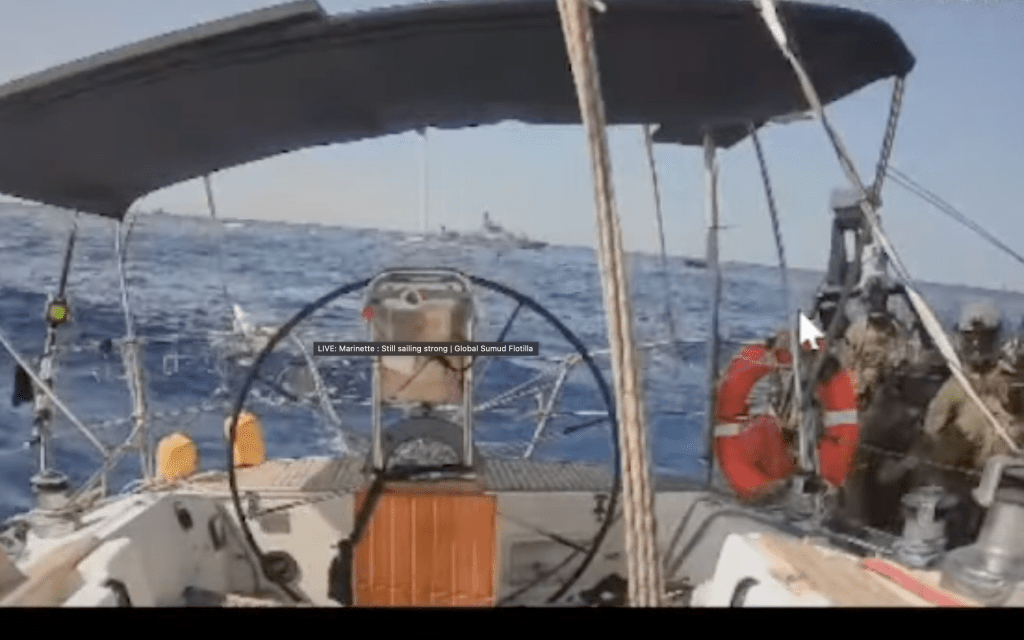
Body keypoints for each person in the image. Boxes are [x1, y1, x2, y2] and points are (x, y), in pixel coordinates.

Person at [881, 300, 1024, 543]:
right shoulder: (955, 387)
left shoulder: (1009, 381)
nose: (977, 345)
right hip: (958, 490)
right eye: (971, 338)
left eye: (984, 338)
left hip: (1002, 492)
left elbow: (1013, 399)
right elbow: (930, 438)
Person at [842, 278, 911, 410]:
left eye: (879, 297)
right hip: (859, 393)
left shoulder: (896, 330)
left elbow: (901, 362)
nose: (875, 301)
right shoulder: (856, 331)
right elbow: (849, 364)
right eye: (871, 298)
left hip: (886, 395)